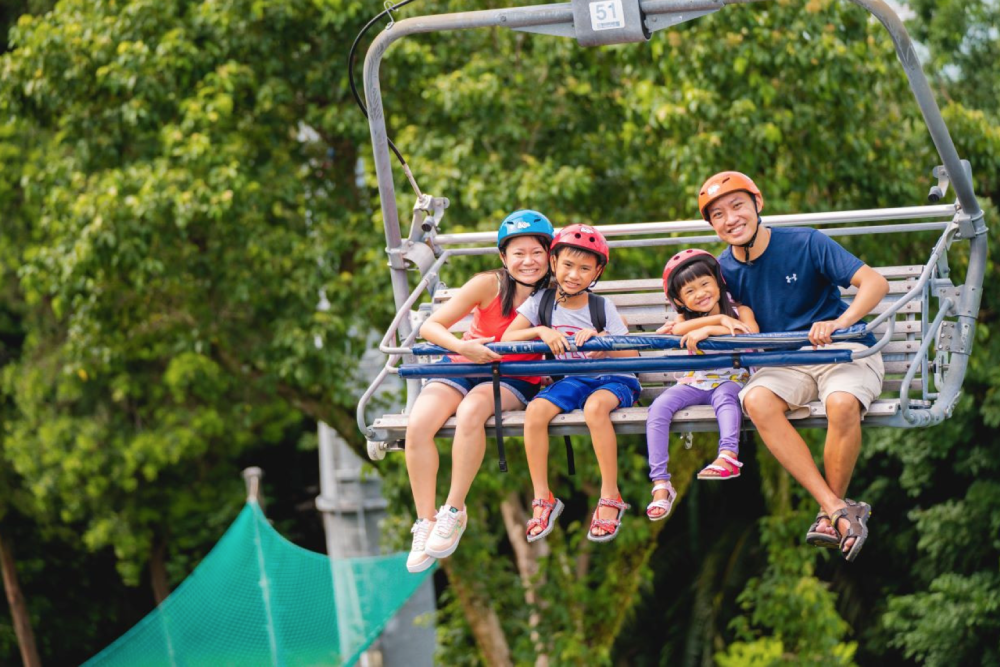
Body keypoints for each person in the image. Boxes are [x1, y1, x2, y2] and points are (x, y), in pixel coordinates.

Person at [699, 171, 888, 561]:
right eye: (718, 214)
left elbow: (874, 283)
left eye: (737, 206)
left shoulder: (806, 242)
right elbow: (705, 311)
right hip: (787, 361)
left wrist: (841, 322)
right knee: (756, 401)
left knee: (840, 403)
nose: (730, 219)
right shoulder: (721, 271)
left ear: (758, 204)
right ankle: (836, 508)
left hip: (842, 349)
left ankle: (827, 513)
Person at [404, 210, 553, 573]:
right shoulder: (490, 285)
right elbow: (431, 327)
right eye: (518, 253)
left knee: (473, 410)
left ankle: (454, 509)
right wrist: (464, 346)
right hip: (463, 364)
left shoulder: (556, 294)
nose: (528, 261)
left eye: (536, 252)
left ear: (549, 255)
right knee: (418, 425)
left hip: (513, 377)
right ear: (504, 257)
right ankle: (426, 520)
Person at [502, 224, 641, 543]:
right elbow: (508, 337)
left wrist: (602, 340)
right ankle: (543, 497)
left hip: (613, 378)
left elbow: (631, 352)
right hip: (574, 378)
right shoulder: (541, 302)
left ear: (597, 273)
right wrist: (541, 331)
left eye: (584, 269)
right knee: (536, 410)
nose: (574, 275)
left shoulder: (600, 307)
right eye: (567, 265)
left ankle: (610, 495)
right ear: (553, 264)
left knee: (595, 409)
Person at [645, 249, 760, 520]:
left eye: (705, 284)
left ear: (718, 282)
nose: (700, 293)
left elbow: (751, 333)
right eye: (690, 291)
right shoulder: (684, 321)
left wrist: (711, 329)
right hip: (696, 381)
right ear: (679, 300)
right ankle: (660, 483)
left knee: (726, 399)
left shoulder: (741, 309)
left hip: (733, 377)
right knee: (658, 408)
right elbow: (678, 330)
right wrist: (719, 321)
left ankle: (728, 455)